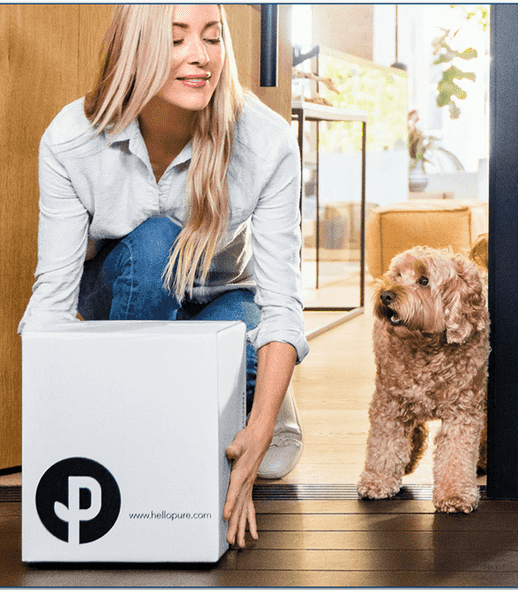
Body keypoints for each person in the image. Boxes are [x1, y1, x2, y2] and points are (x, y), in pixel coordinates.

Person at [17, 4, 307, 548]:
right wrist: (55, 441)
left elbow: (281, 300)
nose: (200, 56)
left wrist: (261, 423)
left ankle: (258, 393)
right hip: (131, 288)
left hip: (224, 302)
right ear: (135, 49)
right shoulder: (71, 139)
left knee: (246, 354)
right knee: (153, 245)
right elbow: (51, 302)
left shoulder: (265, 143)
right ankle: (141, 433)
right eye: (176, 40)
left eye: (212, 38)